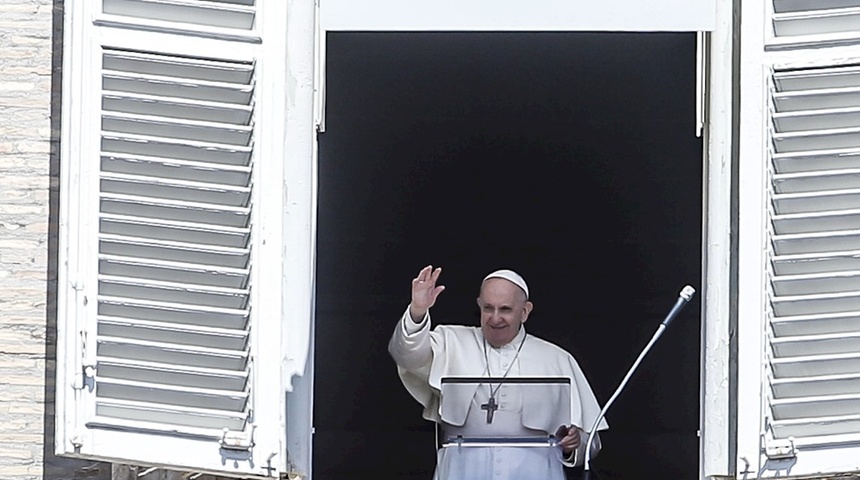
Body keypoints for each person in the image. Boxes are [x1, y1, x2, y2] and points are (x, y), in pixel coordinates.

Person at [388, 265, 609, 480]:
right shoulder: (450, 341)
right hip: (462, 469)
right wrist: (417, 310)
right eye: (488, 308)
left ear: (524, 311)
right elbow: (406, 354)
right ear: (479, 305)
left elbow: (591, 442)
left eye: (505, 309)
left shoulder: (556, 359)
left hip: (534, 470)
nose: (495, 318)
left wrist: (574, 443)